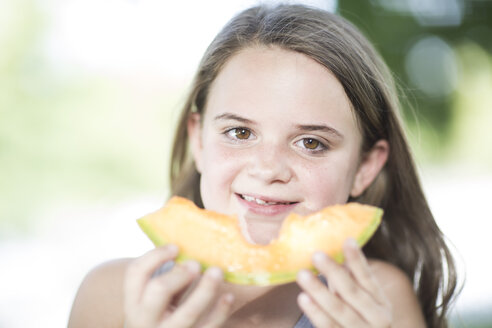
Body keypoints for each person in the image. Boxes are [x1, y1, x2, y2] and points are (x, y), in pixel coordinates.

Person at [68, 3, 458, 327]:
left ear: (365, 167)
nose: (268, 168)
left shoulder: (378, 299)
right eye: (239, 133)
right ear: (197, 140)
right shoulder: (111, 296)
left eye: (311, 143)